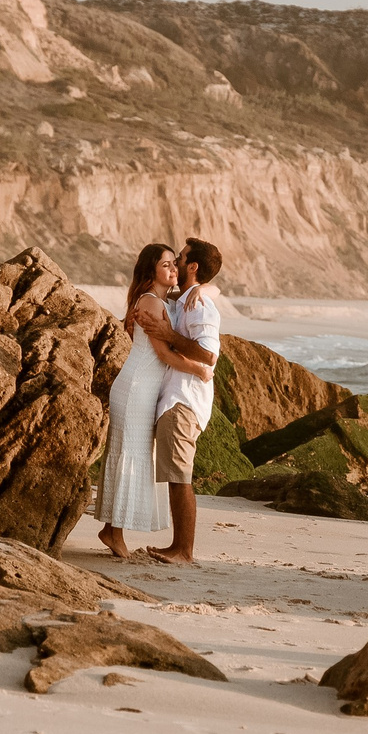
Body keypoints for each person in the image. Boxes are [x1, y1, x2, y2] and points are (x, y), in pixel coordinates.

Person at [96, 242, 180, 559]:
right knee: (128, 457)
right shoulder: (151, 302)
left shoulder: (157, 301)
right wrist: (200, 368)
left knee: (130, 456)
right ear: (151, 270)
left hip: (140, 386)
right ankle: (113, 533)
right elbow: (163, 353)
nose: (173, 269)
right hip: (136, 389)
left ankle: (111, 530)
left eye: (175, 264)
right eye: (167, 264)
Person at [148, 236, 224, 565]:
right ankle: (179, 547)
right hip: (176, 396)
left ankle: (183, 550)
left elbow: (208, 355)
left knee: (180, 476)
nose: (175, 263)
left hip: (185, 399)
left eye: (180, 258)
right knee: (176, 475)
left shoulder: (201, 306)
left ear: (192, 266)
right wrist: (201, 289)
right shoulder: (190, 299)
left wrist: (169, 337)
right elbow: (210, 290)